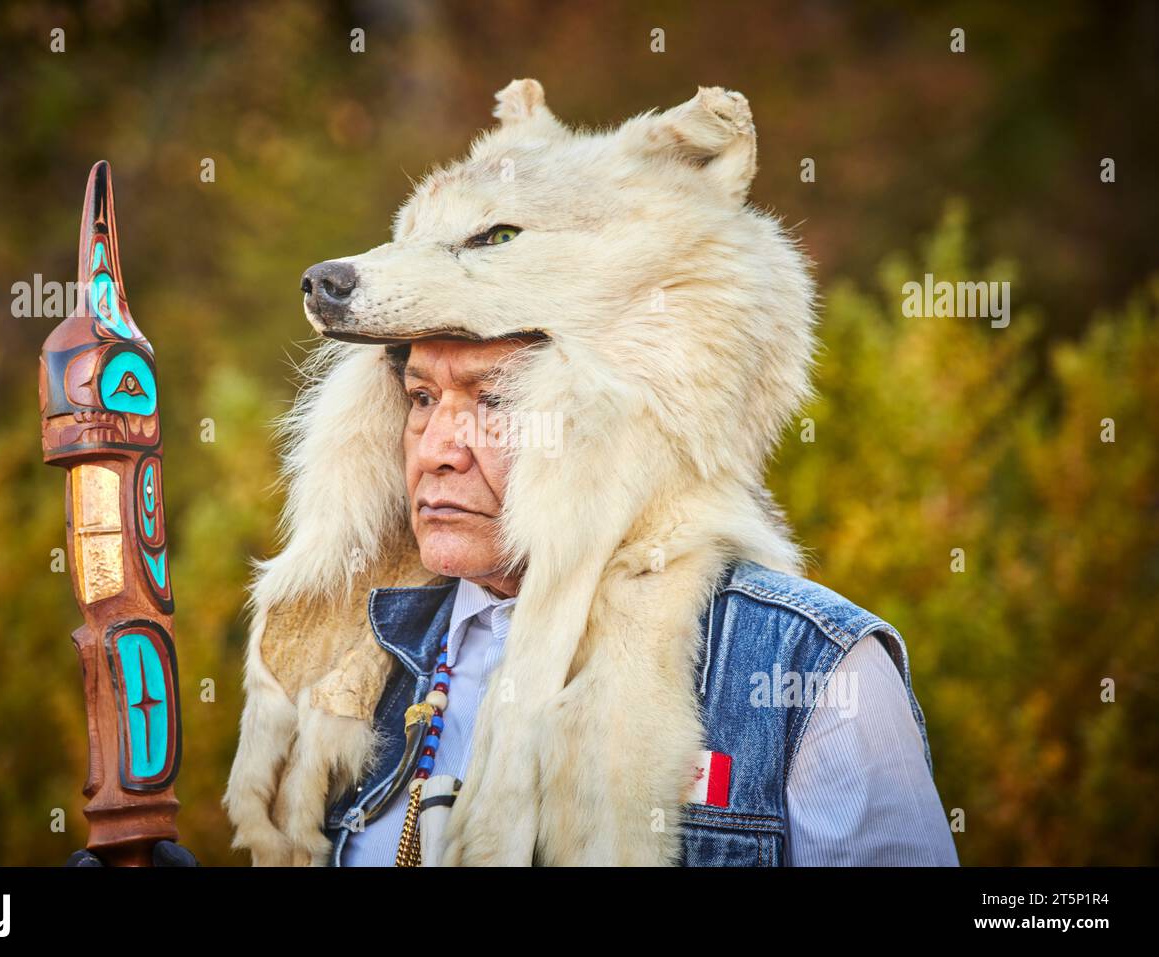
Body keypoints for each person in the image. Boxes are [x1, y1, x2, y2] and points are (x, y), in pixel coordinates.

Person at [223, 79, 959, 867]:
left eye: (496, 400)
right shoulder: (351, 673)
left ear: (613, 425)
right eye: (421, 397)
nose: (438, 447)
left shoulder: (812, 673)